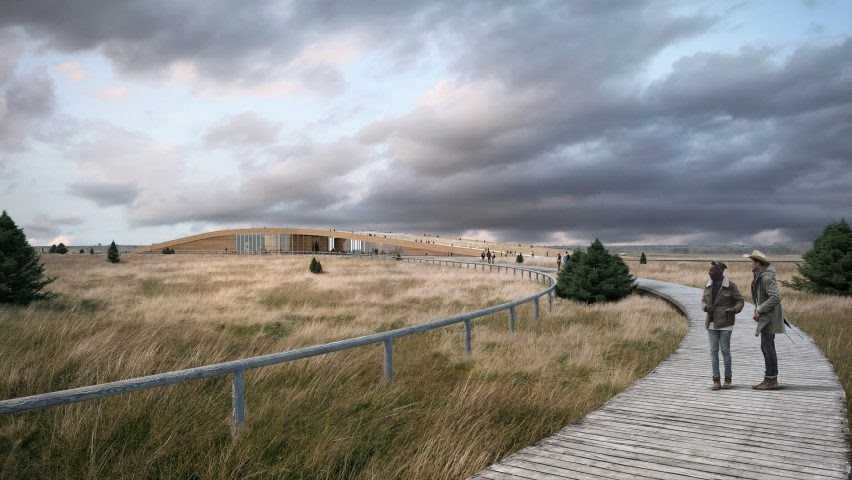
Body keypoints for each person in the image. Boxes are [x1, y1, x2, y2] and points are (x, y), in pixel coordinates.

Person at [743, 249, 785, 390]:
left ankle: (772, 380)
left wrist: (760, 309)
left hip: (769, 318)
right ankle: (768, 378)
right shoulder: (760, 276)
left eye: (751, 262)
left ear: (758, 263)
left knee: (768, 347)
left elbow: (775, 297)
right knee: (766, 346)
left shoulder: (766, 278)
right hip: (765, 317)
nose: (749, 264)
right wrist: (758, 310)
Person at [701, 260, 744, 390]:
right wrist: (705, 307)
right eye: (709, 270)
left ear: (719, 272)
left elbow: (740, 301)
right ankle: (716, 381)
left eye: (712, 270)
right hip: (711, 323)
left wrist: (734, 310)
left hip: (725, 323)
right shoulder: (707, 286)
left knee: (725, 351)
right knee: (713, 352)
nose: (709, 272)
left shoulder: (730, 286)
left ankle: (728, 379)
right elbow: (703, 301)